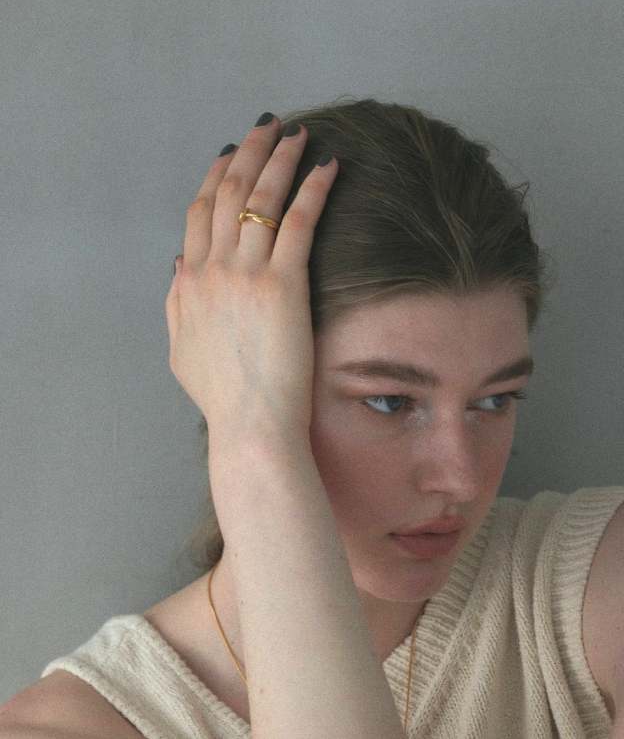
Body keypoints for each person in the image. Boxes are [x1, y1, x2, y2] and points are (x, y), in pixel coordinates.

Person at [2, 97, 623, 738]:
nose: (461, 479)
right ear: (232, 374)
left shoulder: (590, 587)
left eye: (494, 400)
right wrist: (252, 441)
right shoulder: (75, 727)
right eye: (389, 401)